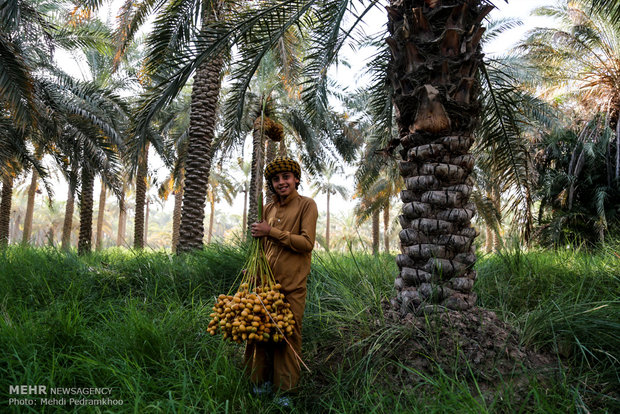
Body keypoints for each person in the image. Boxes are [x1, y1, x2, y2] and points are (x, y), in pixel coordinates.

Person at [245, 156, 318, 405]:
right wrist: (253, 271)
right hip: (265, 286)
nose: (281, 182)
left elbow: (306, 243)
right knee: (260, 333)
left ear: (296, 179)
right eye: (275, 179)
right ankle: (260, 384)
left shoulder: (307, 205)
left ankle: (285, 393)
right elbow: (263, 248)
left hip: (292, 286)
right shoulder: (268, 208)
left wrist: (271, 232)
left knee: (287, 335)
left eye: (286, 177)